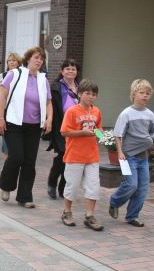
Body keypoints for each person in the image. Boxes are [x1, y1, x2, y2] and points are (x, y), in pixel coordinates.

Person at [0, 46, 53, 208]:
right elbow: (2, 97)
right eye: (36, 57)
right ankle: (6, 186)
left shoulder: (43, 80)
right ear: (28, 59)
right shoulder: (14, 74)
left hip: (34, 126)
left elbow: (49, 102)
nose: (39, 61)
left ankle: (25, 196)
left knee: (29, 161)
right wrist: (1, 119)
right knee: (16, 157)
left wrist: (49, 119)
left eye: (41, 59)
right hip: (14, 123)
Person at [109, 79, 154, 227]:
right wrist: (119, 153)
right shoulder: (126, 114)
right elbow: (118, 134)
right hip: (129, 157)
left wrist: (150, 139)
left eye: (148, 94)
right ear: (134, 94)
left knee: (142, 189)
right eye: (142, 93)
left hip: (143, 158)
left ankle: (132, 216)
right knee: (131, 185)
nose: (145, 96)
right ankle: (114, 201)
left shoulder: (150, 114)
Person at [60, 79, 103, 231]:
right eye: (87, 93)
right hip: (75, 155)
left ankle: (89, 215)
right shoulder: (72, 111)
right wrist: (82, 133)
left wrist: (101, 135)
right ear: (79, 94)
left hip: (92, 156)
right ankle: (67, 212)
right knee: (72, 185)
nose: (90, 97)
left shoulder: (96, 111)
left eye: (93, 94)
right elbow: (64, 131)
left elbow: (98, 128)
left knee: (93, 186)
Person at [47, 59, 81, 200]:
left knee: (72, 160)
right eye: (67, 68)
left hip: (77, 130)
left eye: (73, 69)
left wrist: (98, 133)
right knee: (62, 157)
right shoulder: (56, 87)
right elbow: (51, 107)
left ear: (76, 72)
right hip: (61, 127)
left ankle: (63, 188)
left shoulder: (82, 87)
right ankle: (52, 182)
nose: (70, 71)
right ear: (62, 71)